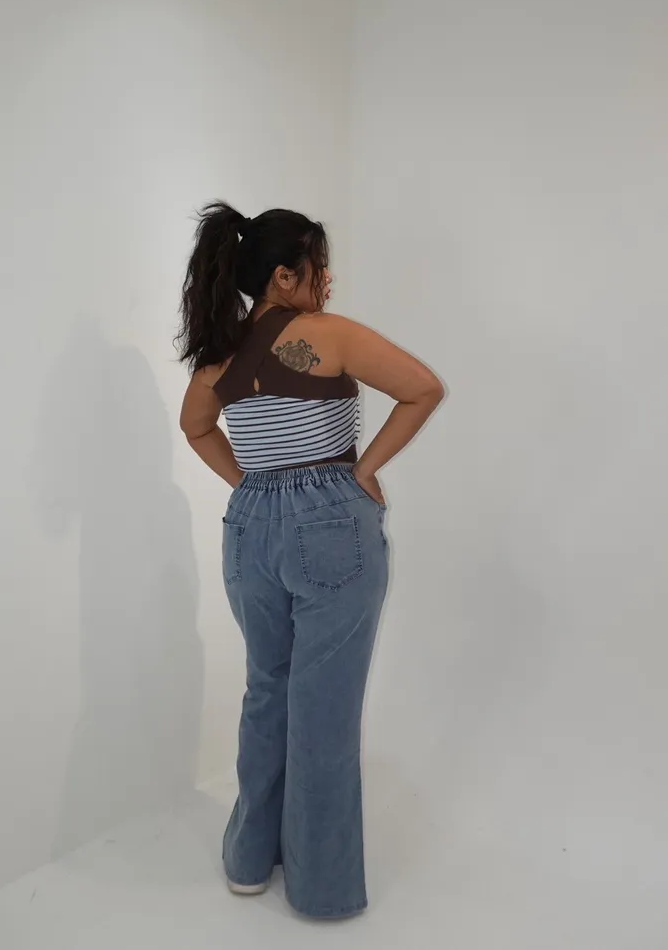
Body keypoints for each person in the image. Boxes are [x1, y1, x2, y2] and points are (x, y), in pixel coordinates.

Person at [177, 202, 444, 919]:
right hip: (330, 524)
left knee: (268, 689)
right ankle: (320, 887)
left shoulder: (219, 354)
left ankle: (247, 861)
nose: (328, 280)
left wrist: (252, 483)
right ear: (284, 276)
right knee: (322, 708)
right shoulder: (328, 336)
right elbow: (424, 388)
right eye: (319, 266)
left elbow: (195, 426)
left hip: (249, 531)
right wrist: (363, 471)